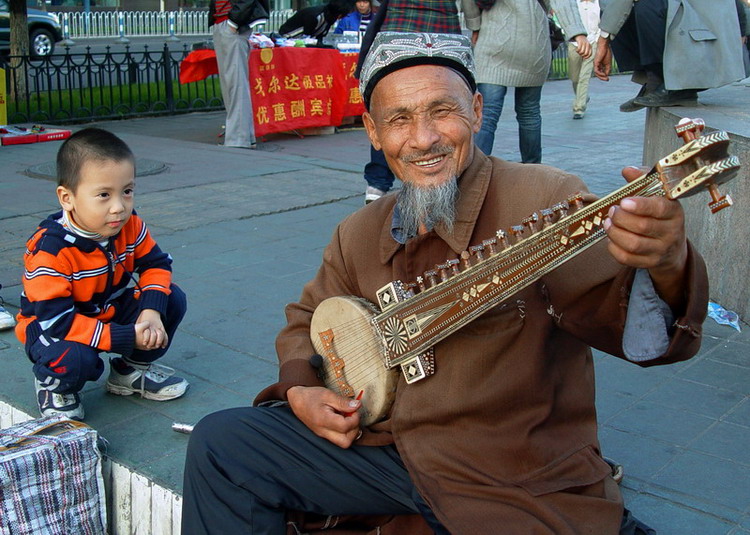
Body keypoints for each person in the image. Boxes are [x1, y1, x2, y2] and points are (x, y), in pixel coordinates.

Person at [182, 32, 708, 535]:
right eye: (400, 119)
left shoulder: (548, 198)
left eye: (442, 111)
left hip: (507, 473)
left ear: (477, 111)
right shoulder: (359, 232)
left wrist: (664, 263)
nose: (423, 139)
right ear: (372, 131)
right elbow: (304, 319)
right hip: (389, 455)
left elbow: (623, 324)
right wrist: (300, 389)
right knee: (222, 443)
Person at [15, 128, 189, 421]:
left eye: (127, 191)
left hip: (105, 311)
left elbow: (156, 264)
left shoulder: (129, 225)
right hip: (55, 328)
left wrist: (150, 312)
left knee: (170, 299)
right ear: (67, 197)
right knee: (74, 359)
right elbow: (57, 322)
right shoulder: (51, 250)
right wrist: (124, 335)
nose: (119, 207)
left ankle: (129, 372)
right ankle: (54, 386)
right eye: (103, 195)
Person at [356, 0, 465, 203]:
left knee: (391, 108)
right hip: (441, 26)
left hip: (401, 24)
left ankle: (377, 184)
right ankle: (453, 180)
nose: (422, 140)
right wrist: (475, 24)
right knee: (441, 101)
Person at [461, 0, 592, 161]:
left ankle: (473, 174)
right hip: (533, 42)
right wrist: (577, 32)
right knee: (529, 114)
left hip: (493, 39)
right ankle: (533, 170)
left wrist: (474, 25)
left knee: (487, 115)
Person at [593, 0, 745, 112]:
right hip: (688, 22)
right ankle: (656, 79)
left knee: (646, 6)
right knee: (612, 8)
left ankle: (679, 89)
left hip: (705, 33)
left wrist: (603, 42)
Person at [209, 0, 269, 148]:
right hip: (225, 22)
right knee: (232, 83)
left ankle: (238, 139)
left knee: (235, 83)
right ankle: (243, 137)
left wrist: (234, 22)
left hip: (231, 23)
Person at [567, 0, 600, 119]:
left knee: (584, 77)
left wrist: (597, 40)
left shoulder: (598, 3)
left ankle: (579, 108)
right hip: (575, 43)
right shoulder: (573, 4)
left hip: (592, 42)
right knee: (574, 77)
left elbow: (602, 23)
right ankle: (583, 96)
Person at [278, 0, 356, 43]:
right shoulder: (316, 16)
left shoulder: (329, 18)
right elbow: (300, 36)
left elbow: (319, 38)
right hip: (288, 39)